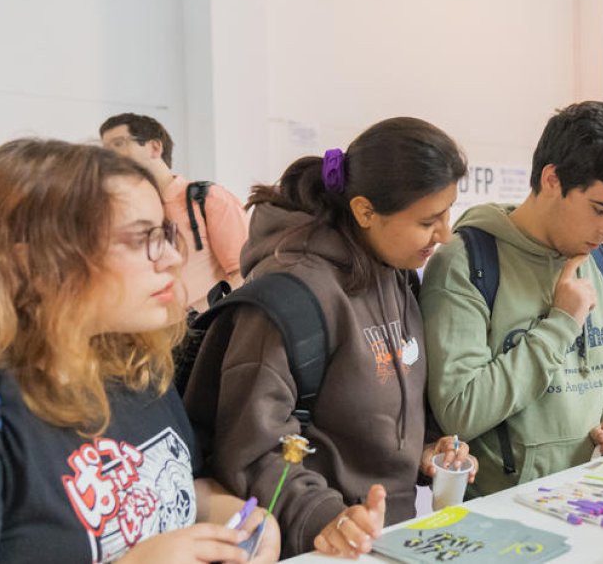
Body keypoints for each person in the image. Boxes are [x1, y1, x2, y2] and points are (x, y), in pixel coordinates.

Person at [0, 139, 279, 563]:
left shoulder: (134, 363)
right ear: (33, 263)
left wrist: (240, 519)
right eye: (140, 239)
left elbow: (182, 488)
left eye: (165, 234)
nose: (170, 257)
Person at [188, 118, 475, 559]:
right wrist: (325, 516)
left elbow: (387, 408)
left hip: (392, 540)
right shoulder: (291, 295)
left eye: (448, 212)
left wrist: (428, 448)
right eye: (428, 220)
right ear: (364, 211)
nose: (445, 234)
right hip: (320, 548)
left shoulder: (397, 277)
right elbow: (250, 448)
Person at [420, 101, 603, 496]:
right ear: (552, 179)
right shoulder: (465, 262)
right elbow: (461, 409)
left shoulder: (596, 258)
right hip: (503, 511)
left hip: (590, 494)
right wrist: (561, 324)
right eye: (600, 209)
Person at [101, 113, 250, 310]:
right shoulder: (130, 211)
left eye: (119, 144)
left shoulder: (208, 198)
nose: (110, 157)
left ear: (155, 147)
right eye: (105, 150)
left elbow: (242, 273)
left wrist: (200, 317)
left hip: (206, 330)